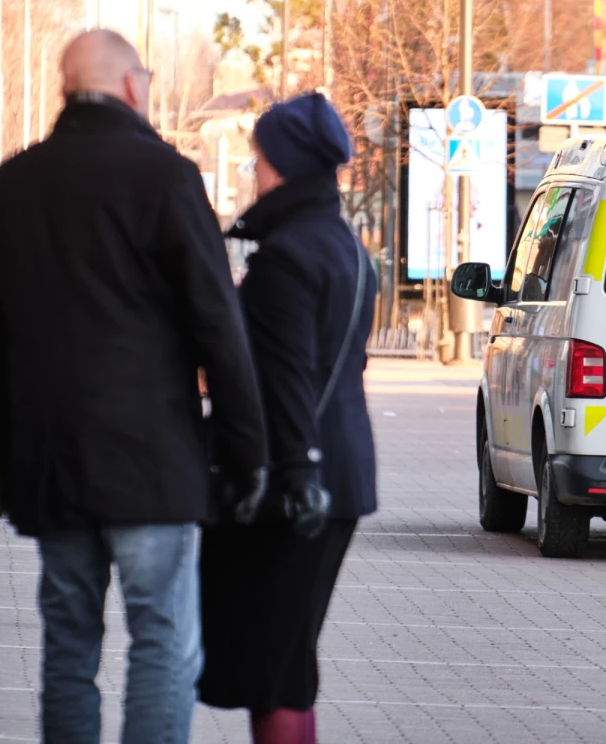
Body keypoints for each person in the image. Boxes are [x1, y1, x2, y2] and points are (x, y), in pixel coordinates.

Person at [0, 29, 269, 744]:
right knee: (164, 640)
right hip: (152, 462)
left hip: (52, 463)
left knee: (68, 646)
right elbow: (217, 327)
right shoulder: (167, 178)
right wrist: (247, 451)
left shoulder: (6, 189)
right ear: (134, 87)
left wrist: (10, 468)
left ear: (65, 91)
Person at [199, 92, 378, 744]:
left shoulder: (284, 260)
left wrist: (296, 471)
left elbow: (286, 382)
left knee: (270, 668)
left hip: (292, 486)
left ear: (286, 164)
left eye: (260, 157)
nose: (254, 170)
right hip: (343, 476)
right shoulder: (350, 250)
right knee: (290, 661)